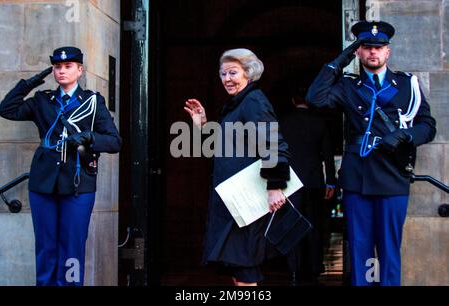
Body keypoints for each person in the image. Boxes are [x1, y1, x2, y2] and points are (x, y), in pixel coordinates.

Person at [305, 21, 436, 286]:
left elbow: (427, 125)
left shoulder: (407, 84)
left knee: (389, 249)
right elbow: (315, 98)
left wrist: (405, 135)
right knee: (361, 249)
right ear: (359, 52)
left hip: (392, 176)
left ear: (388, 51)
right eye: (366, 47)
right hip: (359, 178)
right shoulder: (348, 85)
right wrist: (338, 61)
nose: (373, 52)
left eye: (379, 47)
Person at [0, 47, 121, 286]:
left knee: (72, 245)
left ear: (80, 70)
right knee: (45, 245)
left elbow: (115, 141)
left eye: (68, 66)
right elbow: (6, 109)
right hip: (43, 183)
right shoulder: (42, 100)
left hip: (78, 184)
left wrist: (89, 137)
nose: (61, 71)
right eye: (57, 67)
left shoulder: (93, 102)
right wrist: (31, 82)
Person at [184, 48, 290, 286]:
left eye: (233, 72)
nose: (227, 79)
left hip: (248, 199)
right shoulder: (236, 105)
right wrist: (202, 125)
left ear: (248, 73)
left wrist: (275, 186)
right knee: (238, 266)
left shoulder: (253, 101)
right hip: (234, 200)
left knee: (244, 266)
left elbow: (273, 143)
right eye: (222, 74)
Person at [280, 92, 336, 285]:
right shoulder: (319, 122)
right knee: (313, 226)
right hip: (313, 182)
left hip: (289, 183)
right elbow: (328, 155)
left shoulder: (283, 122)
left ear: (293, 100)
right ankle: (313, 270)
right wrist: (331, 181)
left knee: (292, 226)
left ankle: (294, 270)